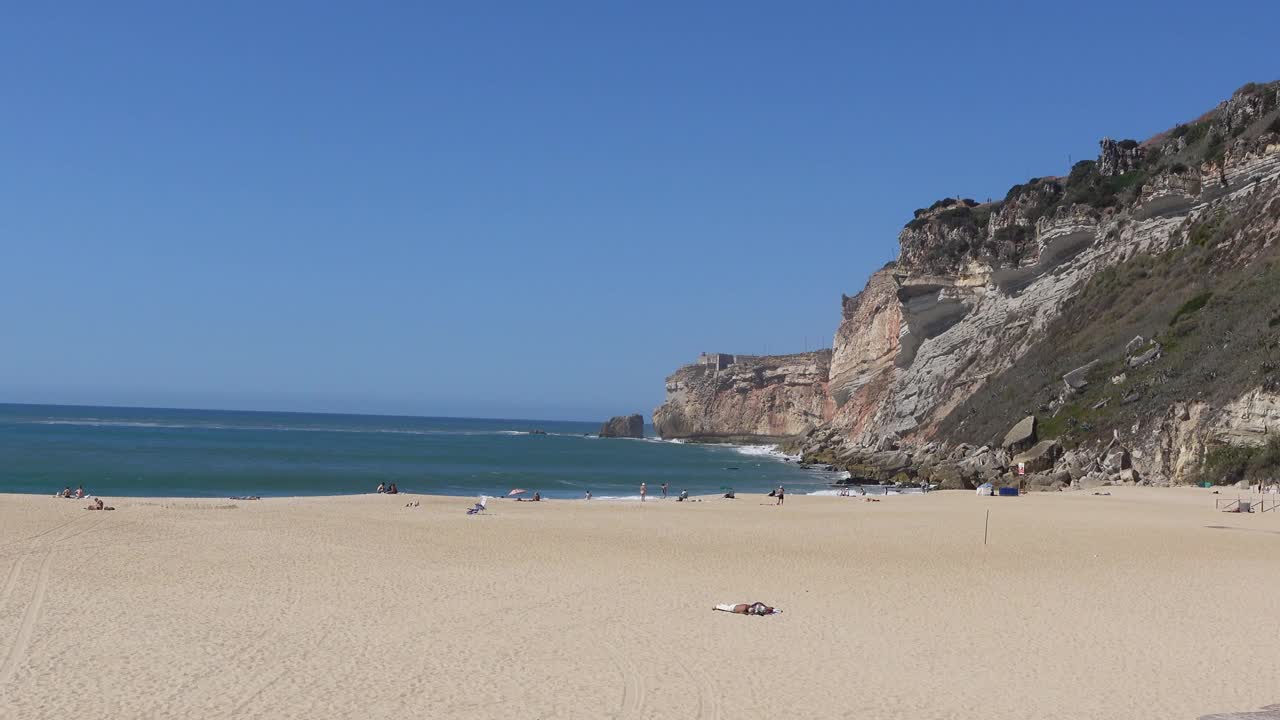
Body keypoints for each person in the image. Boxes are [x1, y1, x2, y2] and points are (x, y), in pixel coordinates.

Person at [713, 602, 779, 616]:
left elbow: (758, 603)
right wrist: (751, 613)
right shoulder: (747, 608)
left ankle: (718, 606)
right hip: (733, 608)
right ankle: (716, 607)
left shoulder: (749, 606)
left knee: (726, 606)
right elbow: (744, 613)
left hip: (736, 606)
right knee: (726, 608)